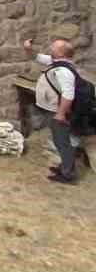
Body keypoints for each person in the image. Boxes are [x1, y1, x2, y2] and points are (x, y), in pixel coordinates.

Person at [25, 37, 85, 184]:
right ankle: (64, 167)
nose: (51, 47)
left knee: (63, 142)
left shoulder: (64, 72)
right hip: (53, 109)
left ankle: (67, 174)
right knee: (60, 141)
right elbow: (36, 57)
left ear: (60, 53)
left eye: (54, 47)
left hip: (58, 112)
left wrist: (60, 114)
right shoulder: (57, 62)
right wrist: (28, 48)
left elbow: (68, 95)